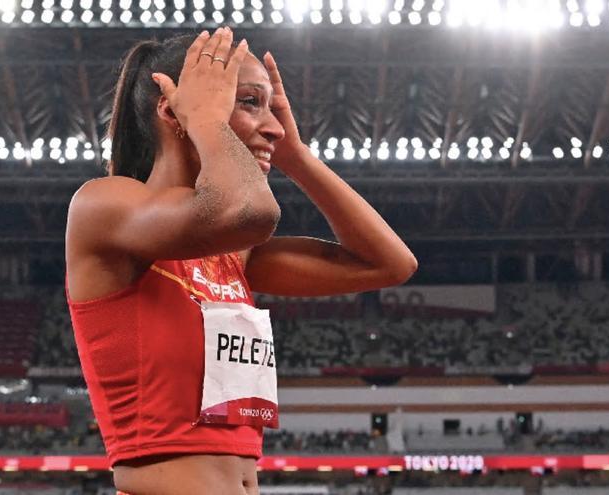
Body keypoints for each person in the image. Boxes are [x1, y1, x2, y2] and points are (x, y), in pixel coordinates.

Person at [65, 27, 417, 495]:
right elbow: (251, 213)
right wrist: (207, 123)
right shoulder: (104, 208)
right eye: (249, 102)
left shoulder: (232, 253)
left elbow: (389, 264)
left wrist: (296, 156)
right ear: (174, 111)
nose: (273, 125)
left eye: (271, 108)